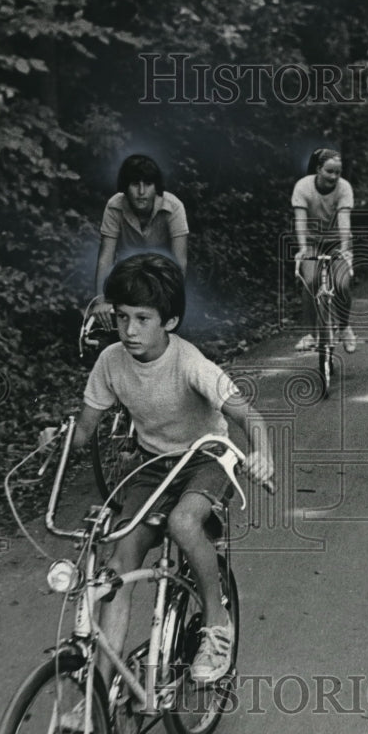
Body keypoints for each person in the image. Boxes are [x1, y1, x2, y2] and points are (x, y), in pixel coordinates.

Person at [52, 253, 274, 688]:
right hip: (154, 466)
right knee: (118, 560)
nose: (129, 331)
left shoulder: (190, 363)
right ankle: (100, 687)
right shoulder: (110, 363)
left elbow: (251, 417)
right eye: (121, 318)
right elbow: (83, 432)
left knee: (183, 522)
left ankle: (216, 621)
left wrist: (262, 453)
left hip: (206, 458)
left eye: (142, 318)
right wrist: (53, 444)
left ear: (168, 322)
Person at [91, 154, 189, 327]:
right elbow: (106, 257)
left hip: (162, 276)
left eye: (148, 184)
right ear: (125, 187)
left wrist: (171, 303)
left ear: (156, 187)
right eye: (135, 184)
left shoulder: (173, 207)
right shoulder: (114, 205)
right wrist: (100, 300)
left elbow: (179, 262)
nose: (141, 192)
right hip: (126, 275)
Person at [291, 147, 357, 353]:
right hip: (311, 242)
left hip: (338, 241)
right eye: (329, 171)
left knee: (342, 284)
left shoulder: (344, 188)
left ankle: (344, 327)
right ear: (318, 169)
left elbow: (344, 221)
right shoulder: (303, 187)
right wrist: (302, 249)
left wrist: (345, 250)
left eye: (338, 172)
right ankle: (312, 333)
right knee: (310, 281)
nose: (334, 176)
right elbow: (300, 221)